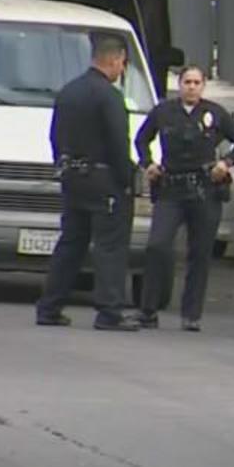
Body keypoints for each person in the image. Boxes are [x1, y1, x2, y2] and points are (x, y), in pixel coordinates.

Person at [36, 32, 139, 331]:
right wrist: (126, 179)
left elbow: (54, 135)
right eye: (123, 63)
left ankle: (50, 307)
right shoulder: (109, 96)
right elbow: (120, 143)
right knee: (109, 246)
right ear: (116, 59)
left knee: (71, 242)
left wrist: (64, 166)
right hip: (104, 178)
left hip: (73, 177)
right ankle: (110, 312)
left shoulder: (69, 91)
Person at [134, 66, 234, 332]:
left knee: (200, 253)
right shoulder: (164, 111)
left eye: (196, 82)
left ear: (203, 85)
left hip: (204, 188)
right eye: (187, 82)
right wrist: (148, 163)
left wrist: (227, 163)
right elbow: (141, 139)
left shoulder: (214, 113)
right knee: (157, 246)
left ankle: (191, 314)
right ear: (179, 85)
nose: (191, 87)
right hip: (171, 186)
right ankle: (148, 309)